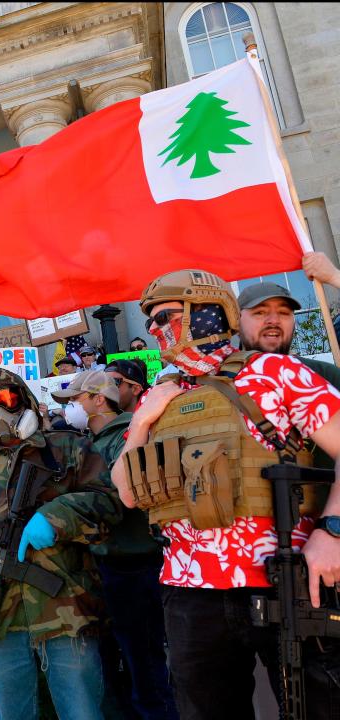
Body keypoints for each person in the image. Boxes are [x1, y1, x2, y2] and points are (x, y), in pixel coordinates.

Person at [110, 269, 340, 720]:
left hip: (286, 579)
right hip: (191, 592)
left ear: (209, 313)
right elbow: (128, 495)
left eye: (168, 316)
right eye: (152, 321)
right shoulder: (159, 398)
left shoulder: (275, 371)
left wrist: (331, 530)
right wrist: (142, 421)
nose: (156, 330)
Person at [0, 364, 122, 720]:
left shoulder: (66, 450)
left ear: (24, 400)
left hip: (65, 611)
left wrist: (57, 517)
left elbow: (111, 502)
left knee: (82, 711)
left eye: (6, 401)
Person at [52, 371, 177, 720]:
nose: (70, 408)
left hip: (135, 566)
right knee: (110, 666)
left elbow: (120, 499)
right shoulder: (87, 442)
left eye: (75, 400)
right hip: (104, 567)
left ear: (97, 399)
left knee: (145, 666)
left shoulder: (129, 435)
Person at [236, 280, 340, 388]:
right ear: (236, 322)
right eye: (260, 312)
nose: (274, 320)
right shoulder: (222, 382)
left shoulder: (327, 377)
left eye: (283, 312)